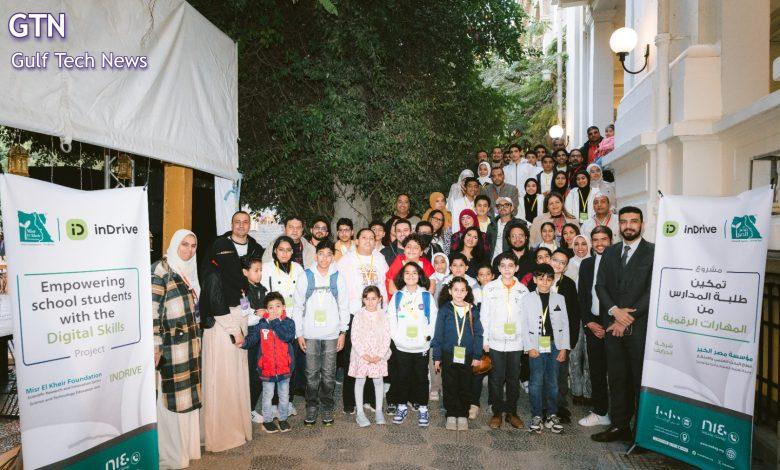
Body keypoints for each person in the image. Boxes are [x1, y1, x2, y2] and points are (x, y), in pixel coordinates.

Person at [592, 207, 654, 444]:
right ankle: (619, 426)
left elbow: (652, 290)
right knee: (617, 379)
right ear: (619, 226)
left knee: (639, 380)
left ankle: (642, 433)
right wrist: (614, 312)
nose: (629, 226)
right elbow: (600, 286)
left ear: (642, 224)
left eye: (634, 221)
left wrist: (626, 318)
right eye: (624, 222)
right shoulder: (610, 252)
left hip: (639, 329)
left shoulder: (654, 253)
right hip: (612, 327)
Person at [202, 212, 260, 452]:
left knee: (236, 378)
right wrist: (234, 330)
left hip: (239, 321)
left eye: (246, 222)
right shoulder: (215, 267)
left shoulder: (253, 251)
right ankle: (221, 432)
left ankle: (237, 424)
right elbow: (215, 302)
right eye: (237, 222)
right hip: (223, 327)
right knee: (223, 379)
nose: (241, 225)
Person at [152, 230, 201, 469]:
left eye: (193, 245)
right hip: (170, 347)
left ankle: (185, 450)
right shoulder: (161, 271)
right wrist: (155, 345)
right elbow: (152, 310)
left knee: (185, 399)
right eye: (184, 244)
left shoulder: (188, 270)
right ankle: (171, 455)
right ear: (174, 245)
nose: (188, 250)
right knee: (170, 400)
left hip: (189, 345)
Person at [293, 241, 349, 427]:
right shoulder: (306, 276)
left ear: (333, 257)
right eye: (321, 254)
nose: (325, 258)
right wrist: (299, 334)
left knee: (328, 373)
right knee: (311, 373)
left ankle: (327, 405)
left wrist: (343, 332)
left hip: (332, 334)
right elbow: (298, 306)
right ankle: (311, 406)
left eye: (328, 254)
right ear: (315, 256)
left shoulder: (338, 277)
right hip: (310, 334)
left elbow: (344, 306)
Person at [337, 228, 389, 415]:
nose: (368, 240)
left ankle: (370, 398)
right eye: (364, 237)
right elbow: (340, 288)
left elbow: (384, 285)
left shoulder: (380, 259)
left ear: (376, 241)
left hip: (376, 314)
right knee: (354, 357)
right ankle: (349, 400)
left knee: (373, 354)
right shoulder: (346, 260)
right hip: (355, 314)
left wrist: (384, 310)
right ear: (356, 240)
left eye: (371, 238)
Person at [481, 252, 530, 430]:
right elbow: (484, 316)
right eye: (503, 265)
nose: (507, 269)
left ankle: (511, 413)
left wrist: (526, 342)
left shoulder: (523, 290)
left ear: (516, 268)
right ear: (498, 268)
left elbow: (526, 318)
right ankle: (496, 412)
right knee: (496, 378)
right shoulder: (490, 288)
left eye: (511, 265)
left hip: (516, 342)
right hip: (495, 341)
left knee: (513, 378)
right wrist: (485, 339)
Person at [522, 263, 570, 434]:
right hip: (535, 345)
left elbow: (565, 323)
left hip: (555, 344)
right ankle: (536, 415)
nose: (544, 282)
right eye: (541, 279)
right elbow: (523, 324)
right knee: (536, 381)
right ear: (535, 280)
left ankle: (552, 414)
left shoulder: (559, 299)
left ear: (553, 281)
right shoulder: (527, 299)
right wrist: (529, 347)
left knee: (553, 381)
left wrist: (564, 348)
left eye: (548, 279)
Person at [387, 263, 437, 426]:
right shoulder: (398, 296)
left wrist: (427, 338)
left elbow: (433, 320)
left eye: (414, 273)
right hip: (402, 346)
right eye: (407, 273)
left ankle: (423, 408)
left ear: (420, 275)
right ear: (402, 276)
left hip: (421, 346)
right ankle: (401, 406)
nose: (410, 276)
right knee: (402, 376)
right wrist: (397, 339)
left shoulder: (426, 296)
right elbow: (391, 319)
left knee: (421, 377)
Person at [432, 277, 483, 431]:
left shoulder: (472, 310)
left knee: (465, 385)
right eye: (456, 290)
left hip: (467, 355)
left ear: (467, 292)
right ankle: (451, 413)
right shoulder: (445, 309)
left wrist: (477, 355)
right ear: (450, 291)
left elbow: (479, 334)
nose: (459, 293)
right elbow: (438, 334)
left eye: (462, 290)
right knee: (449, 384)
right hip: (448, 354)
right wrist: (437, 356)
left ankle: (462, 414)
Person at [240, 291, 296, 434]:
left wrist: (275, 322)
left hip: (284, 368)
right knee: (267, 396)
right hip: (267, 368)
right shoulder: (262, 324)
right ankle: (267, 421)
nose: (274, 310)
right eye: (270, 307)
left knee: (284, 396)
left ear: (284, 307)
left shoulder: (289, 322)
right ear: (266, 310)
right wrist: (243, 342)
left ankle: (283, 419)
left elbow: (287, 337)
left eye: (278, 306)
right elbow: (253, 338)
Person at [577, 226, 613, 428]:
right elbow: (582, 295)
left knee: (616, 373)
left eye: (604, 239)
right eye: (596, 240)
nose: (600, 243)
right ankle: (600, 412)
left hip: (614, 326)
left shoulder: (618, 263)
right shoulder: (587, 264)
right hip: (593, 324)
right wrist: (589, 322)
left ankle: (620, 415)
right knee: (596, 371)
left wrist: (610, 325)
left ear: (611, 240)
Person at [349, 286, 392, 427]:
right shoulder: (358, 315)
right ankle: (360, 413)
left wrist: (380, 354)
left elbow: (387, 336)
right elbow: (354, 337)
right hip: (362, 356)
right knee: (360, 381)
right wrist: (364, 354)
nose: (370, 302)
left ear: (379, 299)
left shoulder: (384, 315)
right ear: (363, 300)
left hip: (378, 355)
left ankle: (379, 411)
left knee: (378, 381)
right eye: (367, 299)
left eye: (374, 299)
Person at [549, 249, 581, 424]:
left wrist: (571, 340)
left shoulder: (568, 284)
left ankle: (560, 405)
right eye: (555, 260)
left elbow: (574, 314)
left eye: (562, 262)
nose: (558, 264)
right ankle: (545, 405)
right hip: (543, 335)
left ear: (566, 266)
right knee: (544, 372)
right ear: (549, 260)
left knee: (561, 374)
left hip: (562, 337)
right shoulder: (540, 279)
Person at [240, 257, 268, 425]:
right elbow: (245, 318)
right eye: (256, 270)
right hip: (250, 337)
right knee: (250, 374)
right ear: (245, 272)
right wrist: (258, 315)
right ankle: (246, 409)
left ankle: (250, 407)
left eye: (261, 270)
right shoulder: (242, 291)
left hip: (262, 336)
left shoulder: (262, 289)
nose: (259, 274)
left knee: (259, 373)